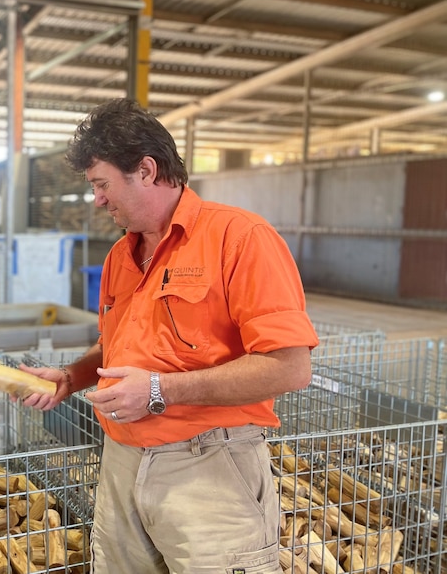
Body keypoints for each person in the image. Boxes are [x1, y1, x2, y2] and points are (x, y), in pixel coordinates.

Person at [17, 99, 319, 574]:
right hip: (121, 461)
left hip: (209, 465)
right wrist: (71, 377)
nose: (97, 199)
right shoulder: (120, 256)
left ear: (146, 169)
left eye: (102, 184)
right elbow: (122, 345)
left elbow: (290, 366)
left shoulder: (239, 238)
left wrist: (160, 390)